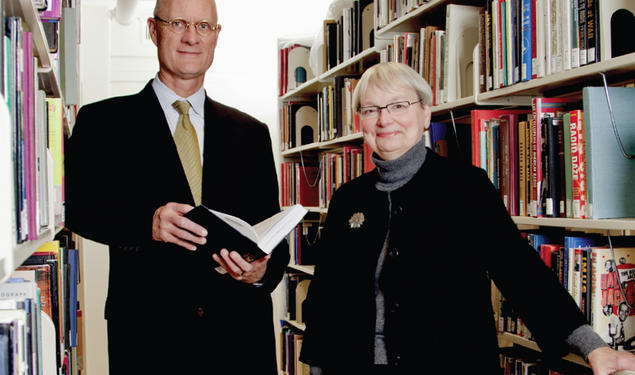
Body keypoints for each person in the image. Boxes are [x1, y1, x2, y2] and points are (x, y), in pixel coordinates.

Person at [299, 61, 635, 374]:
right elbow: (325, 296)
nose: (385, 120)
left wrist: (593, 347)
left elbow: (520, 271)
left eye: (399, 106)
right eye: (371, 110)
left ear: (426, 114)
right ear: (361, 121)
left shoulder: (465, 187)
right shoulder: (348, 198)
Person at [64, 0, 288, 373]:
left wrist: (261, 271)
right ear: (154, 30)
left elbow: (272, 234)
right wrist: (146, 222)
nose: (190, 37)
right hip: (150, 339)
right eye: (178, 23)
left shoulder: (251, 133)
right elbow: (78, 209)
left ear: (216, 36)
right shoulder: (102, 122)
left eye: (203, 27)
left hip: (239, 340)